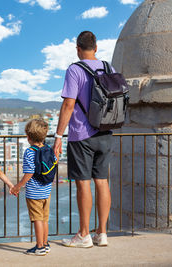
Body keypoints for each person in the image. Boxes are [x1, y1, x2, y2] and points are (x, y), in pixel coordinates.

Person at [53, 31, 111, 248]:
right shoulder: (108, 67)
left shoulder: (75, 70)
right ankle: (102, 233)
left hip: (81, 135)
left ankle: (84, 234)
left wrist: (59, 135)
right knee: (102, 182)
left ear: (78, 49)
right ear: (95, 48)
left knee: (83, 184)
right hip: (106, 133)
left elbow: (68, 104)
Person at [11, 119, 52, 256]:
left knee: (37, 219)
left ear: (28, 137)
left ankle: (39, 247)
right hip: (47, 190)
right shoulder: (48, 149)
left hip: (34, 192)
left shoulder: (29, 152)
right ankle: (45, 244)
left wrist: (18, 186)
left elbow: (29, 173)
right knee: (44, 219)